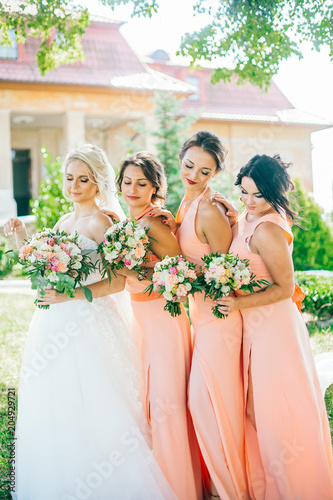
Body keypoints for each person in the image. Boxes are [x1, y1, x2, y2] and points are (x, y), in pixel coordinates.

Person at [4, 144, 177, 500]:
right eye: (70, 178)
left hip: (88, 322)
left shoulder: (106, 223)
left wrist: (71, 296)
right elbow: (46, 274)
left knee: (96, 404)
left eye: (84, 179)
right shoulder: (62, 223)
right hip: (52, 323)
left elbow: (116, 282)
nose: (75, 185)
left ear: (98, 182)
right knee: (56, 404)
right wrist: (20, 240)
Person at [216, 154, 333, 500]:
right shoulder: (249, 217)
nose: (249, 202)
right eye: (244, 193)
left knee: (280, 411)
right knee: (257, 410)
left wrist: (237, 302)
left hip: (274, 331)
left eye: (258, 196)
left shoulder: (269, 229)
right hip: (254, 328)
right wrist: (232, 213)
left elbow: (284, 288)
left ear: (274, 194)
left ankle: (300, 489)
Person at [150, 131, 249, 500]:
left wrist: (180, 282)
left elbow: (226, 276)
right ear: (180, 160)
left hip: (220, 324)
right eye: (189, 165)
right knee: (204, 408)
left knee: (207, 407)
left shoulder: (209, 209)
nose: (193, 175)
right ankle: (213, 489)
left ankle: (230, 492)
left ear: (215, 174)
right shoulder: (185, 203)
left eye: (204, 171)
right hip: (199, 321)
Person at [115, 151, 202, 500]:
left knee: (166, 402)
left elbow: (182, 271)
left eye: (142, 183)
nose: (132, 189)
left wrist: (136, 271)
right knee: (150, 401)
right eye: (127, 182)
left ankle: (178, 488)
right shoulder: (128, 223)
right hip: (141, 319)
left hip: (164, 319)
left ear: (155, 188)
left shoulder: (154, 223)